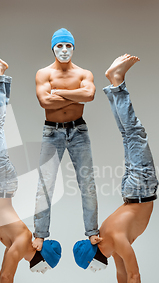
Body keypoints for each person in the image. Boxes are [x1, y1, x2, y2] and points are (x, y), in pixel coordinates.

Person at [73, 54, 159, 283]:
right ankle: (114, 84)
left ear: (98, 246)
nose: (106, 259)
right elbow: (122, 271)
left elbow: (134, 274)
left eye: (101, 258)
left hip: (141, 190)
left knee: (134, 132)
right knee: (129, 134)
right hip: (133, 192)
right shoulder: (108, 241)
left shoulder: (116, 240)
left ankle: (117, 82)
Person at [0, 43, 62, 283]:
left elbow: (7, 276)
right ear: (38, 248)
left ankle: (0, 76)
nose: (37, 264)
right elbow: (6, 275)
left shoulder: (20, 243)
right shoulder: (23, 242)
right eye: (40, 260)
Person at [33, 28, 101, 251]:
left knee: (87, 184)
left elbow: (89, 95)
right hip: (52, 133)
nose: (64, 50)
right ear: (53, 48)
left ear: (73, 47)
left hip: (78, 131)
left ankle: (92, 232)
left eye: (68, 45)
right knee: (45, 185)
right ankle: (40, 234)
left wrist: (59, 93)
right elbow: (45, 101)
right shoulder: (43, 73)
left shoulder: (84, 73)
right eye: (60, 46)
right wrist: (74, 95)